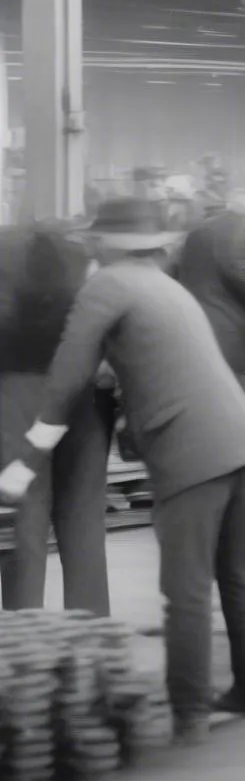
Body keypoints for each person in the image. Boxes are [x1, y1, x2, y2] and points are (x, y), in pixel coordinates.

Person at [0, 198, 245, 744]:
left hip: (191, 453)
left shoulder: (109, 286)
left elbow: (66, 377)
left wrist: (26, 460)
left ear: (107, 244)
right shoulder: (168, 287)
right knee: (241, 577)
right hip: (244, 440)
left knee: (186, 590)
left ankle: (187, 712)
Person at [0, 223, 114, 614]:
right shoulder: (76, 251)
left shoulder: (8, 250)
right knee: (84, 523)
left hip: (18, 387)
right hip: (83, 387)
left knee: (26, 523)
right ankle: (91, 644)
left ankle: (25, 647)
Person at [175, 189, 245, 376]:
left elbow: (175, 268)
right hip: (231, 325)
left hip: (193, 319)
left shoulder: (197, 230)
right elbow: (239, 272)